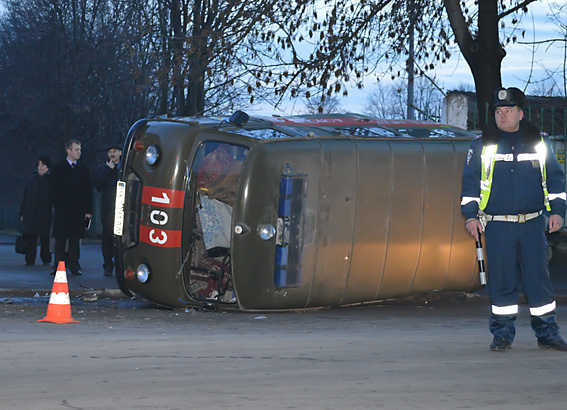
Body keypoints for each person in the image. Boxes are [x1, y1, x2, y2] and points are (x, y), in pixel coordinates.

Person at [461, 87, 567, 352]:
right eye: (499, 111)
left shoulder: (539, 143)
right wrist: (470, 217)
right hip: (498, 225)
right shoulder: (481, 145)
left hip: (533, 224)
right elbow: (470, 184)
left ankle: (547, 334)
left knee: (538, 281)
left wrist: (557, 211)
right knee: (502, 281)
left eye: (508, 111)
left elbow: (555, 179)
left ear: (520, 114)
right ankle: (502, 335)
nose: (503, 116)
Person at [49, 140, 93, 276]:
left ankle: (74, 264)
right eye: (76, 150)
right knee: (60, 239)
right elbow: (52, 189)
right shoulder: (58, 169)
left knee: (75, 239)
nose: (79, 152)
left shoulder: (83, 170)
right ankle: (58, 265)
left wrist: (88, 210)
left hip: (78, 210)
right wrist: (56, 204)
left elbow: (88, 191)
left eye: (80, 150)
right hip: (62, 210)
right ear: (68, 151)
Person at [93, 143, 122, 276]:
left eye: (115, 151)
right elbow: (98, 185)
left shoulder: (124, 168)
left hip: (123, 210)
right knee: (108, 239)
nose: (112, 154)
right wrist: (107, 169)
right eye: (110, 151)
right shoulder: (102, 169)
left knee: (121, 240)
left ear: (120, 153)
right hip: (109, 209)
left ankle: (121, 265)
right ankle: (108, 265)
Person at [19, 155, 53, 266]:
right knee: (30, 237)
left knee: (45, 238)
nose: (40, 167)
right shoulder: (31, 181)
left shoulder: (51, 181)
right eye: (38, 165)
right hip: (31, 213)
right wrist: (22, 212)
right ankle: (30, 259)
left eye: (42, 165)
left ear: (48, 167)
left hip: (45, 213)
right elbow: (25, 197)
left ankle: (46, 258)